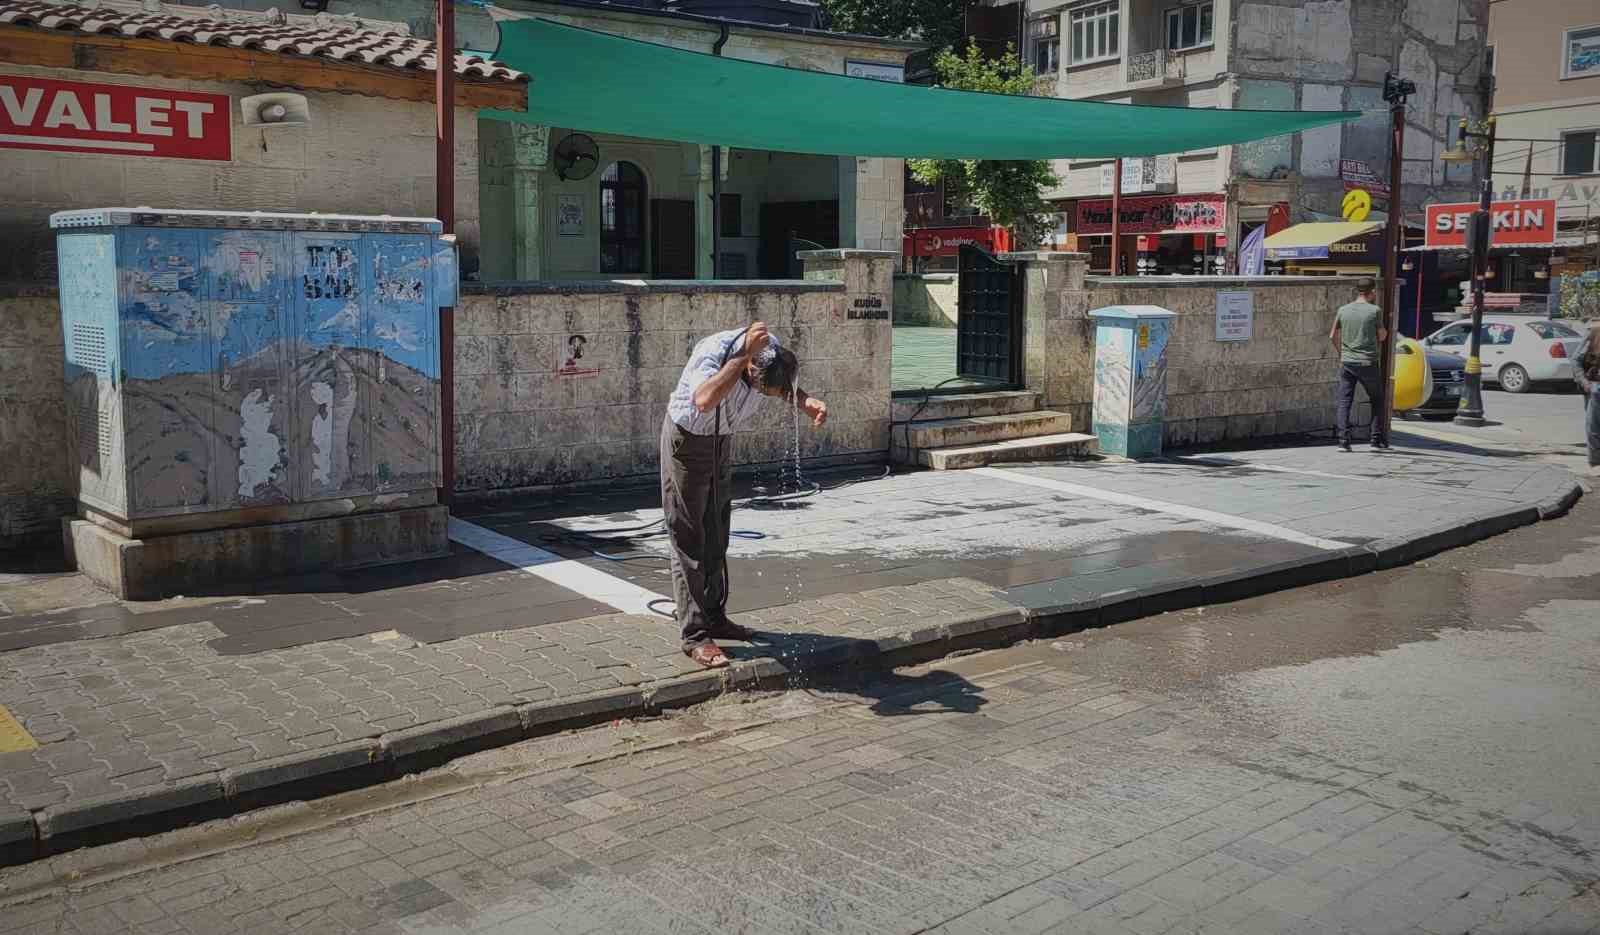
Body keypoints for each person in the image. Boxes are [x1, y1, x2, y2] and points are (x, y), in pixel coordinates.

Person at [661, 321, 828, 669]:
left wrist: (805, 400)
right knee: (689, 538)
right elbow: (705, 400)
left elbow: (781, 385)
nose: (765, 394)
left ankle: (714, 616)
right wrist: (740, 357)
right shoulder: (716, 351)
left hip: (721, 440)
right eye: (760, 389)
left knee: (717, 532)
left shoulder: (772, 351)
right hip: (687, 441)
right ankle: (695, 637)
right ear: (750, 368)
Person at [1329, 277, 1390, 452]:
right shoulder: (1374, 311)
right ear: (1372, 292)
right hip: (1368, 362)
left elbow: (1332, 335)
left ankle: (1343, 441)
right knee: (1377, 399)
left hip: (1347, 362)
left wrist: (1342, 354)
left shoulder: (1343, 310)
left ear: (1357, 291)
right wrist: (1384, 331)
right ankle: (1375, 440)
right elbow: (1382, 336)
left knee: (1344, 401)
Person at [1577, 320, 1600, 475]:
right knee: (1593, 426)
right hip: (1595, 388)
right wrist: (1584, 382)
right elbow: (1575, 360)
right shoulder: (1593, 333)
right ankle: (1596, 462)